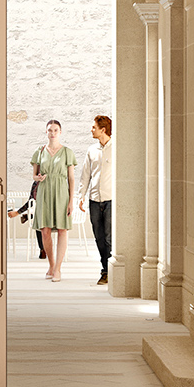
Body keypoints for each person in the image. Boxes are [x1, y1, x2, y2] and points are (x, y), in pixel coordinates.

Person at [29, 117, 78, 281]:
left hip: (62, 193)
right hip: (44, 193)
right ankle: (51, 265)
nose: (52, 133)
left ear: (60, 132)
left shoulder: (67, 152)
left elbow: (71, 178)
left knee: (62, 230)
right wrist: (38, 178)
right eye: (50, 130)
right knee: (45, 231)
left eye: (55, 130)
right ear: (46, 131)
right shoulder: (39, 151)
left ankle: (58, 269)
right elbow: (34, 175)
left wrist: (71, 201)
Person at [74, 113, 114, 285]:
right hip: (94, 201)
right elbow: (85, 175)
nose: (91, 130)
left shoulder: (117, 148)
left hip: (111, 200)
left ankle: (108, 272)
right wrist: (81, 196)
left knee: (109, 237)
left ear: (102, 129)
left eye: (93, 127)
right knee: (98, 237)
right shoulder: (91, 150)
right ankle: (106, 269)